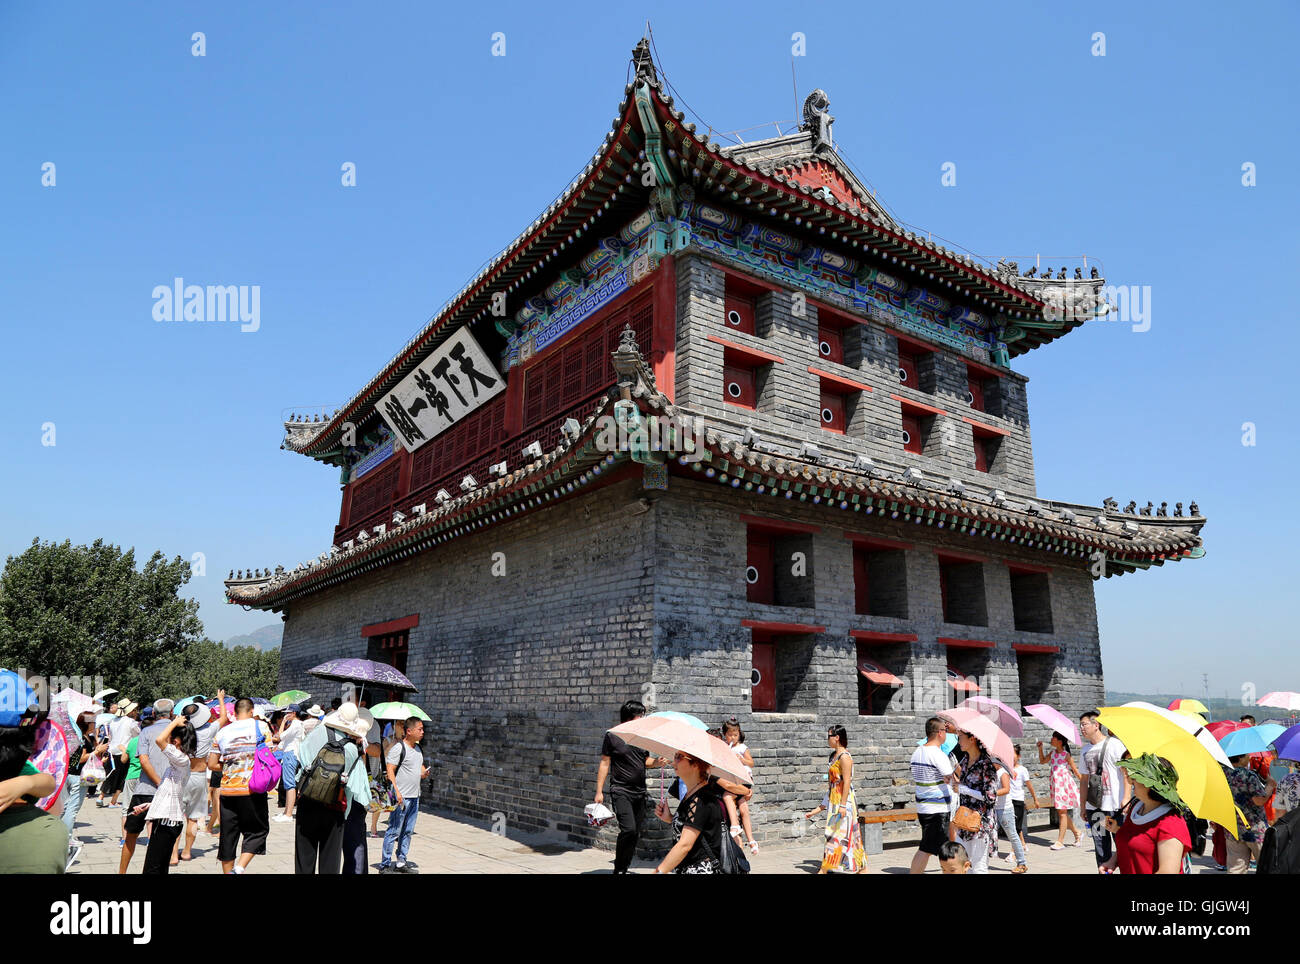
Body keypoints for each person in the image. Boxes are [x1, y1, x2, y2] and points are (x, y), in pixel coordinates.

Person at [292, 702, 372, 874]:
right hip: (334, 808)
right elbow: (359, 790)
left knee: (304, 857)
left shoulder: (315, 733)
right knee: (330, 862)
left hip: (308, 802)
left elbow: (300, 765)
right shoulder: (351, 749)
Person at [594, 700, 666, 874]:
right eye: (640, 715)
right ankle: (619, 868)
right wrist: (599, 791)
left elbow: (645, 761)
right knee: (629, 829)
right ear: (629, 717)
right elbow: (605, 763)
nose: (642, 718)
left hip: (639, 792)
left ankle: (623, 868)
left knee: (635, 833)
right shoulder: (612, 735)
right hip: (621, 790)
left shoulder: (642, 737)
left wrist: (657, 762)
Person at [207, 696, 273, 874]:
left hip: (227, 791)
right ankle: (240, 867)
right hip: (252, 789)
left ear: (235, 713)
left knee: (228, 836)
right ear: (252, 712)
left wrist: (231, 765)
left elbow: (212, 764)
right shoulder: (261, 727)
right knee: (258, 832)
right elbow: (268, 755)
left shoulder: (221, 733)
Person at [1101, 754, 1192, 875]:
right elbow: (1131, 842)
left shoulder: (1171, 823)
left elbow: (1168, 871)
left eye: (1138, 777)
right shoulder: (1136, 807)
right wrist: (1113, 861)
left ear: (1152, 785)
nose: (1131, 780)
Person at [134, 714, 196, 874]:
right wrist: (149, 805)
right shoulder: (178, 762)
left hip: (167, 822)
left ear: (177, 740)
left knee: (152, 869)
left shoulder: (181, 760)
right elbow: (169, 792)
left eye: (171, 736)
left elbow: (159, 740)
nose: (168, 739)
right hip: (167, 819)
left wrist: (174, 722)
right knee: (159, 867)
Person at [119, 699, 174, 873]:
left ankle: (122, 872)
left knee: (131, 835)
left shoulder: (146, 731)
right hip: (168, 791)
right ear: (171, 713)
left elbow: (143, 760)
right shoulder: (177, 731)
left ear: (152, 714)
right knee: (161, 837)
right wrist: (163, 784)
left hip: (144, 789)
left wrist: (156, 781)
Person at [652, 750, 726, 873]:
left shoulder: (701, 799)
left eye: (679, 757)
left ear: (696, 764)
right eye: (675, 756)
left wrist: (659, 871)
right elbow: (695, 826)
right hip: (688, 867)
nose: (674, 761)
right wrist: (670, 818)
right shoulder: (691, 794)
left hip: (699, 869)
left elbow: (685, 845)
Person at [1079, 711, 1129, 871]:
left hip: (1114, 806)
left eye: (1084, 724)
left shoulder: (1115, 744)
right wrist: (1082, 806)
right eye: (1080, 725)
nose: (1082, 728)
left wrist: (1126, 797)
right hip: (1095, 807)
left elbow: (1126, 773)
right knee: (1101, 848)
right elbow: (1084, 780)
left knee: (1121, 844)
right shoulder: (1084, 750)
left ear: (1096, 724)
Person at [380, 716, 429, 873]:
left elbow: (419, 768)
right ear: (409, 731)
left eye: (422, 729)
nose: (422, 732)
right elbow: (390, 770)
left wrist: (423, 773)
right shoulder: (398, 748)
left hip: (415, 797)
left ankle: (401, 861)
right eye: (419, 729)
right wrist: (396, 792)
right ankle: (385, 864)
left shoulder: (418, 749)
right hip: (401, 797)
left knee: (407, 831)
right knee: (394, 830)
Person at [909, 717, 957, 874]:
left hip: (924, 806)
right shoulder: (937, 754)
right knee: (927, 848)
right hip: (937, 808)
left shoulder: (917, 752)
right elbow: (951, 778)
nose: (947, 733)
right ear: (939, 733)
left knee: (941, 847)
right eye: (945, 730)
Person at [818, 724, 866, 874]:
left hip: (844, 800)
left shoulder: (845, 757)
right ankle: (862, 868)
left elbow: (847, 782)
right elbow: (831, 783)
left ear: (837, 738)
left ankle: (824, 869)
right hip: (834, 800)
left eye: (829, 736)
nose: (827, 739)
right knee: (841, 834)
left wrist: (843, 805)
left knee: (836, 834)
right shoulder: (833, 756)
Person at [951, 728, 999, 873]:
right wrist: (953, 783)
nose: (958, 741)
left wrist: (964, 790)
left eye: (960, 737)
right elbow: (964, 786)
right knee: (963, 864)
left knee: (978, 867)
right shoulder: (965, 761)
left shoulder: (986, 764)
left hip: (980, 823)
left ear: (972, 739)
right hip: (964, 819)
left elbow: (990, 797)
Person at [62, 711, 106, 862]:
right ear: (88, 723)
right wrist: (96, 752)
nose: (95, 724)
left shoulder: (82, 736)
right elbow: (80, 759)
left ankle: (65, 836)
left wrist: (97, 750)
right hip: (77, 777)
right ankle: (67, 839)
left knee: (67, 807)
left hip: (72, 776)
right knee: (72, 809)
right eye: (93, 722)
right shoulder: (81, 738)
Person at [1224, 752, 1275, 874]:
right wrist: (1270, 786)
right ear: (1240, 757)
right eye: (1247, 755)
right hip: (1254, 829)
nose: (1249, 757)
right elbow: (1259, 800)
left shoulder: (1222, 773)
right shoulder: (1248, 775)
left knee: (1235, 869)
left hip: (1232, 828)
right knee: (1266, 865)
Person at [177, 701, 215, 862]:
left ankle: (172, 855)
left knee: (175, 817)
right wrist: (220, 698)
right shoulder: (209, 730)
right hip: (199, 777)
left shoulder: (180, 731)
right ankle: (186, 852)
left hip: (181, 776)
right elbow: (224, 718)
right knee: (192, 819)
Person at [1037, 732, 1082, 849]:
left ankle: (1060, 842)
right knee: (1062, 812)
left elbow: (1075, 770)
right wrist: (1040, 749)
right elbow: (1042, 761)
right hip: (1055, 785)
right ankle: (1077, 833)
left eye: (1053, 738)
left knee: (1062, 813)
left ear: (1060, 741)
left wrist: (1085, 783)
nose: (1051, 739)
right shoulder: (1052, 753)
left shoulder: (1066, 755)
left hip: (1064, 786)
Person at [721, 718, 758, 855]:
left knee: (727, 795)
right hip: (734, 778)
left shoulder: (742, 747)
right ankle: (752, 841)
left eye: (735, 734)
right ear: (725, 734)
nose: (733, 737)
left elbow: (751, 763)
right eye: (730, 735)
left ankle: (735, 825)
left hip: (743, 778)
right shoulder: (724, 747)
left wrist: (741, 759)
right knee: (743, 807)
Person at [103, 702, 140, 809]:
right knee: (122, 778)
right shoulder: (130, 722)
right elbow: (138, 733)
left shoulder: (113, 721)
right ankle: (113, 801)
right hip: (124, 751)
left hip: (112, 750)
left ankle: (100, 797)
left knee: (111, 775)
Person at [370, 719, 403, 838]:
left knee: (398, 801)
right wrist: (392, 744)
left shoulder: (405, 741)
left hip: (399, 773)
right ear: (394, 726)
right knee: (380, 799)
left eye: (403, 724)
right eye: (400, 724)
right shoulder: (388, 739)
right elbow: (381, 754)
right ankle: (373, 827)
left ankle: (395, 828)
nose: (402, 726)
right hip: (385, 773)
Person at [993, 760, 1027, 873]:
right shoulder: (993, 772)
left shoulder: (1003, 773)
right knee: (989, 835)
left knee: (1012, 835)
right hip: (994, 808)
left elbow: (1006, 789)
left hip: (1004, 809)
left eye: (992, 761)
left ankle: (1022, 863)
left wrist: (992, 792)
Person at [1006, 745, 1039, 861]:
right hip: (1008, 800)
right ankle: (1023, 845)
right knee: (1014, 826)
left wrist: (1035, 799)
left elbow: (1029, 786)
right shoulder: (1005, 768)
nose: (1011, 757)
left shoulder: (1022, 770)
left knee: (1015, 827)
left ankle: (1013, 852)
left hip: (1018, 800)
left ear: (1018, 756)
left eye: (1013, 754)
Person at [272, 704, 304, 823]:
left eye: (287, 713)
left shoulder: (296, 724)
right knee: (287, 783)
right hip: (289, 753)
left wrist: (282, 724)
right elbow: (286, 740)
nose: (285, 715)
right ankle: (286, 812)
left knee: (289, 784)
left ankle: (289, 813)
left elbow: (280, 736)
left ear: (294, 713)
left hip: (291, 754)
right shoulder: (296, 724)